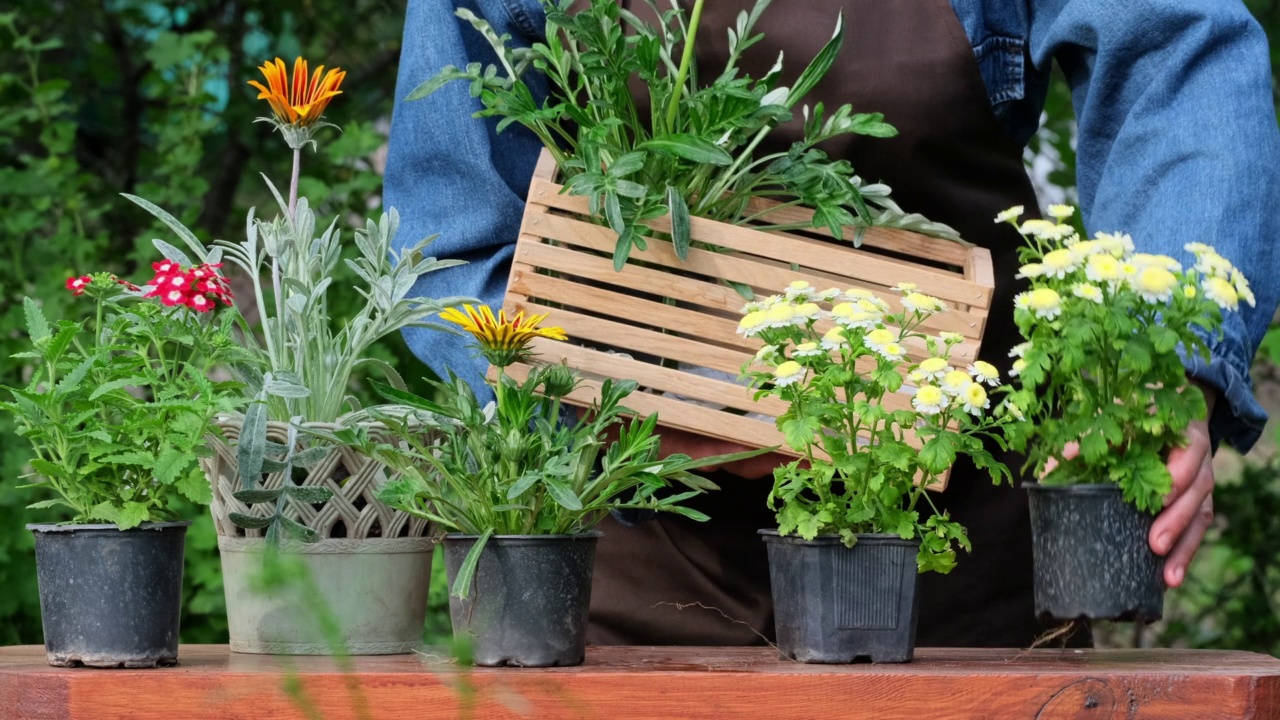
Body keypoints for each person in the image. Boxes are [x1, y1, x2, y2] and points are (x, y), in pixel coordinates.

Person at [384, 0, 1280, 647]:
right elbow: (458, 233)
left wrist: (1166, 367)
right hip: (626, 561)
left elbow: (1178, 58)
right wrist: (650, 407)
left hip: (960, 560)